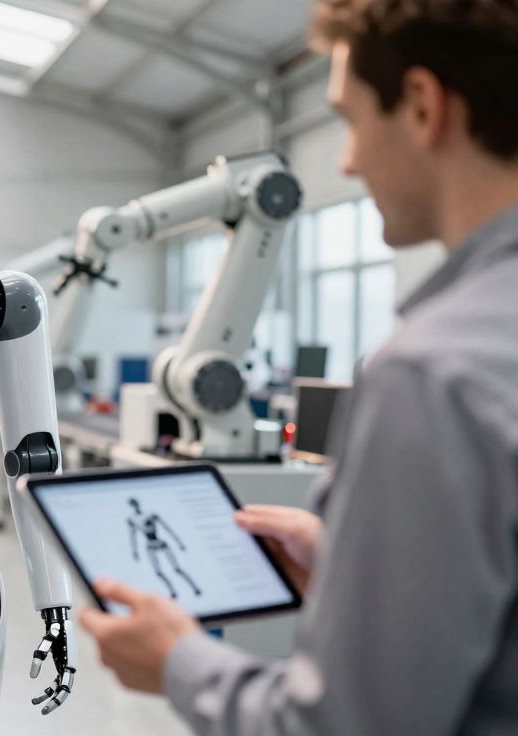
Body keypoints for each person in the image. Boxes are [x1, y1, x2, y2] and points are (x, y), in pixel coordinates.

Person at [77, 1, 518, 733]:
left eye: (348, 120)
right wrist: (363, 566)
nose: (346, 161)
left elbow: (344, 725)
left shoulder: (431, 376)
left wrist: (180, 662)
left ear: (420, 106)